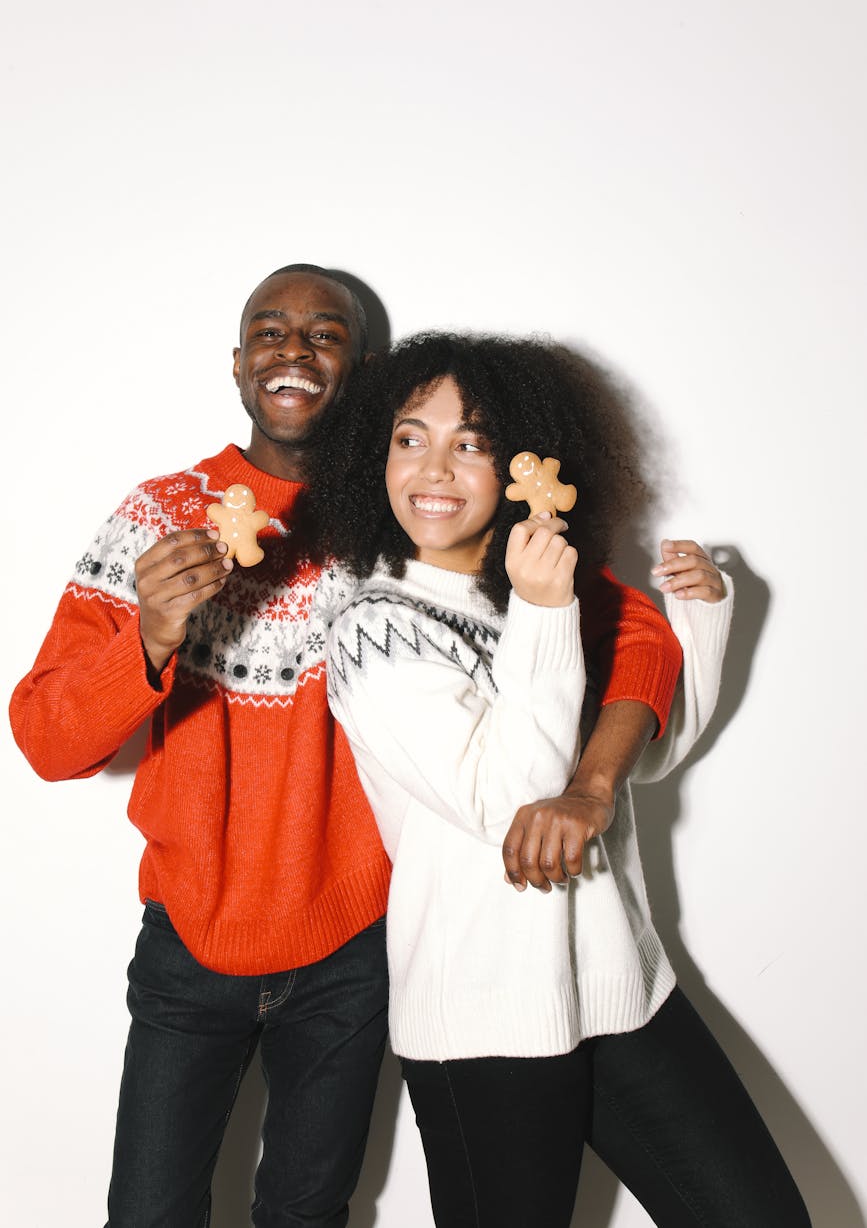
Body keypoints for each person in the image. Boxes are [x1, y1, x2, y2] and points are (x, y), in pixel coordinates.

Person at [8, 267, 685, 1228]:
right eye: (269, 331)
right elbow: (44, 736)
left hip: (355, 949)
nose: (294, 350)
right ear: (238, 363)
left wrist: (592, 783)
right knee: (145, 1214)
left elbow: (633, 632)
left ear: (359, 371)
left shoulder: (413, 514)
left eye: (324, 335)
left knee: (308, 1209)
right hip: (190, 941)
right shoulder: (160, 516)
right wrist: (149, 638)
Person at [315, 331, 811, 1227]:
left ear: (520, 463)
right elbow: (509, 799)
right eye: (408, 437)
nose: (433, 466)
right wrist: (547, 617)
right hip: (484, 1016)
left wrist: (699, 623)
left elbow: (636, 767)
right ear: (373, 457)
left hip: (618, 990)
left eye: (470, 441)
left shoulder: (535, 592)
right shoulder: (373, 628)